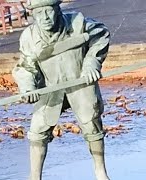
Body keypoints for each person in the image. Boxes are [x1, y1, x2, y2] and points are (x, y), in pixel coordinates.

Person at [12, 0, 111, 179]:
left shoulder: (77, 23)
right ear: (33, 14)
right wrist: (28, 88)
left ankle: (100, 171)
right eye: (39, 13)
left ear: (58, 10)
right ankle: (35, 176)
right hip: (50, 87)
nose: (45, 18)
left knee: (91, 124)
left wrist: (91, 64)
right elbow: (26, 67)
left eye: (48, 11)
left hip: (80, 83)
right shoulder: (29, 37)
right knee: (37, 130)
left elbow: (101, 34)